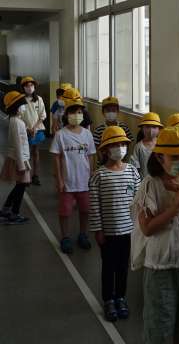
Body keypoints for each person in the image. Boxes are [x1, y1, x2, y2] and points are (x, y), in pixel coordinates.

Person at [131, 127, 179, 344]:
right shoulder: (150, 184)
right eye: (175, 157)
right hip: (161, 265)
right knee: (160, 324)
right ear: (160, 157)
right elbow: (148, 228)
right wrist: (175, 207)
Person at [89, 126, 141, 322]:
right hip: (109, 233)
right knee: (108, 266)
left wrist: (139, 228)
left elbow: (139, 201)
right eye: (114, 145)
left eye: (122, 144)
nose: (119, 148)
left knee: (122, 267)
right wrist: (98, 230)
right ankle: (108, 300)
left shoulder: (132, 172)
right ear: (105, 150)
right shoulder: (99, 175)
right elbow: (94, 205)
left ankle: (120, 297)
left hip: (128, 231)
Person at [50, 87, 96, 254]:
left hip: (84, 181)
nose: (77, 115)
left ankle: (83, 234)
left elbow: (91, 156)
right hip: (67, 182)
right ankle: (65, 237)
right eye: (73, 112)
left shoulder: (87, 135)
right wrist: (59, 180)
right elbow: (56, 158)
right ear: (66, 114)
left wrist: (91, 175)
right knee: (65, 212)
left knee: (85, 210)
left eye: (79, 112)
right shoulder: (60, 135)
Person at [0, 91, 31, 224]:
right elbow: (17, 145)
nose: (24, 107)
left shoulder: (16, 121)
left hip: (21, 158)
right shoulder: (16, 122)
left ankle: (6, 209)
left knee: (20, 185)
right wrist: (21, 164)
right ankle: (14, 213)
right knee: (21, 186)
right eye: (22, 105)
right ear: (16, 107)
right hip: (19, 159)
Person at [19, 76, 46, 186]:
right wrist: (27, 128)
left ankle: (35, 175)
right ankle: (26, 177)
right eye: (27, 86)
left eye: (31, 85)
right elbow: (19, 116)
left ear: (34, 87)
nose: (29, 87)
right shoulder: (20, 100)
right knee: (25, 154)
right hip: (24, 130)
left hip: (37, 130)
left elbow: (42, 115)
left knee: (35, 152)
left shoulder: (38, 99)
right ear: (23, 87)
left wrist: (34, 128)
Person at [93, 96, 134, 164]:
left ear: (118, 112)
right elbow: (97, 148)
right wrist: (102, 162)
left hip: (122, 164)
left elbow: (129, 144)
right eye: (108, 110)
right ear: (103, 112)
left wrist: (125, 160)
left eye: (113, 110)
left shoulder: (124, 128)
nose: (111, 112)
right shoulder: (98, 130)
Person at [129, 112, 163, 180]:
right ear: (142, 128)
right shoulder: (138, 147)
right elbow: (135, 167)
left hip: (159, 180)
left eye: (154, 127)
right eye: (147, 127)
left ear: (159, 129)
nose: (151, 130)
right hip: (144, 181)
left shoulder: (161, 145)